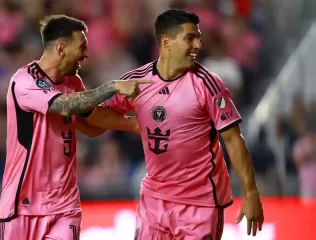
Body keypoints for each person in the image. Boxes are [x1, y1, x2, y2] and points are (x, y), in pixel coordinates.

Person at [85, 9, 264, 239]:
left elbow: (233, 139)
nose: (198, 45)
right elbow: (95, 115)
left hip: (199, 203)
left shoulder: (208, 84)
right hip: (154, 201)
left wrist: (250, 194)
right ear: (167, 42)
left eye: (198, 37)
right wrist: (128, 124)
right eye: (190, 38)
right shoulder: (137, 82)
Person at [0, 15, 151, 240]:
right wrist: (113, 88)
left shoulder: (73, 82)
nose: (86, 54)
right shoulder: (24, 81)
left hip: (64, 204)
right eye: (82, 47)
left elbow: (90, 123)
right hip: (24, 205)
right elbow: (64, 106)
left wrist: (133, 123)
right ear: (61, 48)